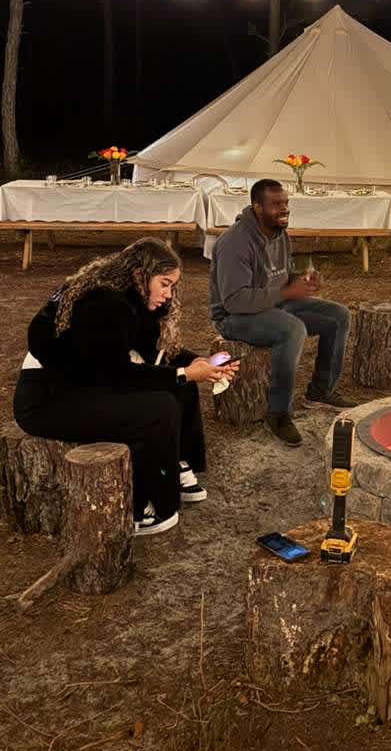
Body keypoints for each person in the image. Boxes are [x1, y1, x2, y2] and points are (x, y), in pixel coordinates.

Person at [14, 238, 239, 536]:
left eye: (172, 286)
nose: (169, 294)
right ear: (139, 275)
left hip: (84, 382)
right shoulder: (105, 304)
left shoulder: (128, 296)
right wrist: (185, 373)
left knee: (179, 385)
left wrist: (197, 362)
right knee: (158, 408)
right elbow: (117, 375)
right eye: (165, 284)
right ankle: (141, 507)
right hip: (47, 399)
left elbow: (151, 348)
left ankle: (174, 465)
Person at [209, 179, 353, 447]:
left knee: (338, 316)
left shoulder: (279, 234)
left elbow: (281, 278)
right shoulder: (234, 242)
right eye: (276, 204)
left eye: (285, 203)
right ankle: (278, 414)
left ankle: (320, 392)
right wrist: (286, 292)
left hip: (273, 305)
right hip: (234, 317)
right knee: (291, 329)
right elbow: (234, 301)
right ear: (257, 207)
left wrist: (301, 281)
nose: (284, 209)